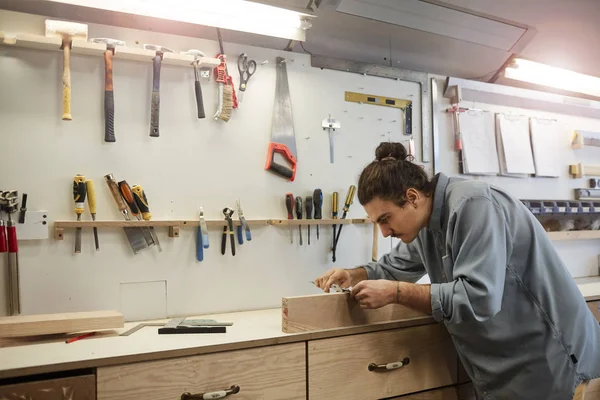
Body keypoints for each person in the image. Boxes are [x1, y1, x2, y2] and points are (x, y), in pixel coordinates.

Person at [314, 142, 600, 400]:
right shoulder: (426, 226)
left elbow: (478, 298)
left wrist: (396, 292)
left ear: (412, 197)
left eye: (386, 219)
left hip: (552, 362)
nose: (385, 232)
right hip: (509, 370)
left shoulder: (474, 205)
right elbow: (394, 266)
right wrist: (354, 275)